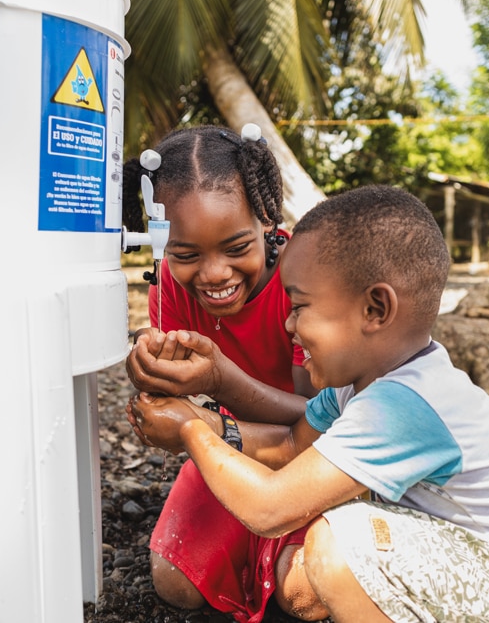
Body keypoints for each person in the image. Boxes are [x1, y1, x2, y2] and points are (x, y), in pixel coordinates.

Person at [127, 184, 489, 622]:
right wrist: (209, 423)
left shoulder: (405, 405)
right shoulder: (362, 383)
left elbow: (270, 509)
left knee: (340, 548)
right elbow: (293, 445)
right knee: (320, 560)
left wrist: (192, 433)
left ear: (375, 310)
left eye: (300, 307)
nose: (290, 326)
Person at [121, 124, 318, 622]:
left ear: (266, 220)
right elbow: (179, 390)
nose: (213, 274)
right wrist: (149, 373)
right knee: (176, 583)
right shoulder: (169, 284)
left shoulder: (306, 282)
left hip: (313, 461)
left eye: (236, 248)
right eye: (186, 255)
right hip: (233, 450)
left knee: (303, 592)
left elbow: (320, 423)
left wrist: (218, 385)